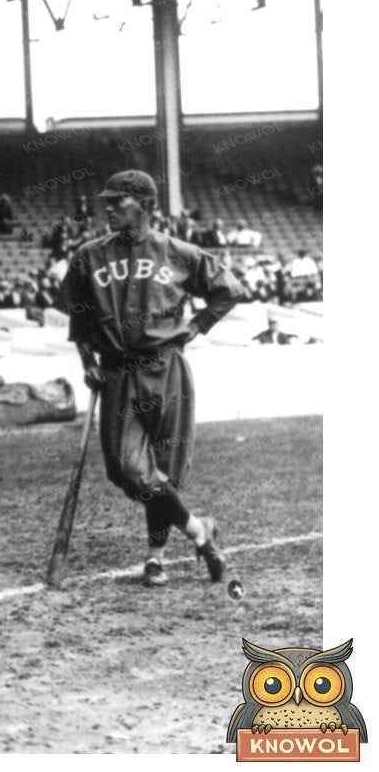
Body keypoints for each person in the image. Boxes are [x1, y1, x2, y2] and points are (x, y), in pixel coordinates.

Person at [59, 170, 244, 589]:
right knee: (128, 468)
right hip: (117, 372)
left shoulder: (177, 251)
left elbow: (228, 289)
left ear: (143, 205)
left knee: (165, 469)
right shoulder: (89, 255)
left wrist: (197, 325)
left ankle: (155, 557)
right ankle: (200, 530)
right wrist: (87, 357)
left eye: (116, 202)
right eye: (106, 202)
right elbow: (80, 317)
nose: (106, 208)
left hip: (166, 367)